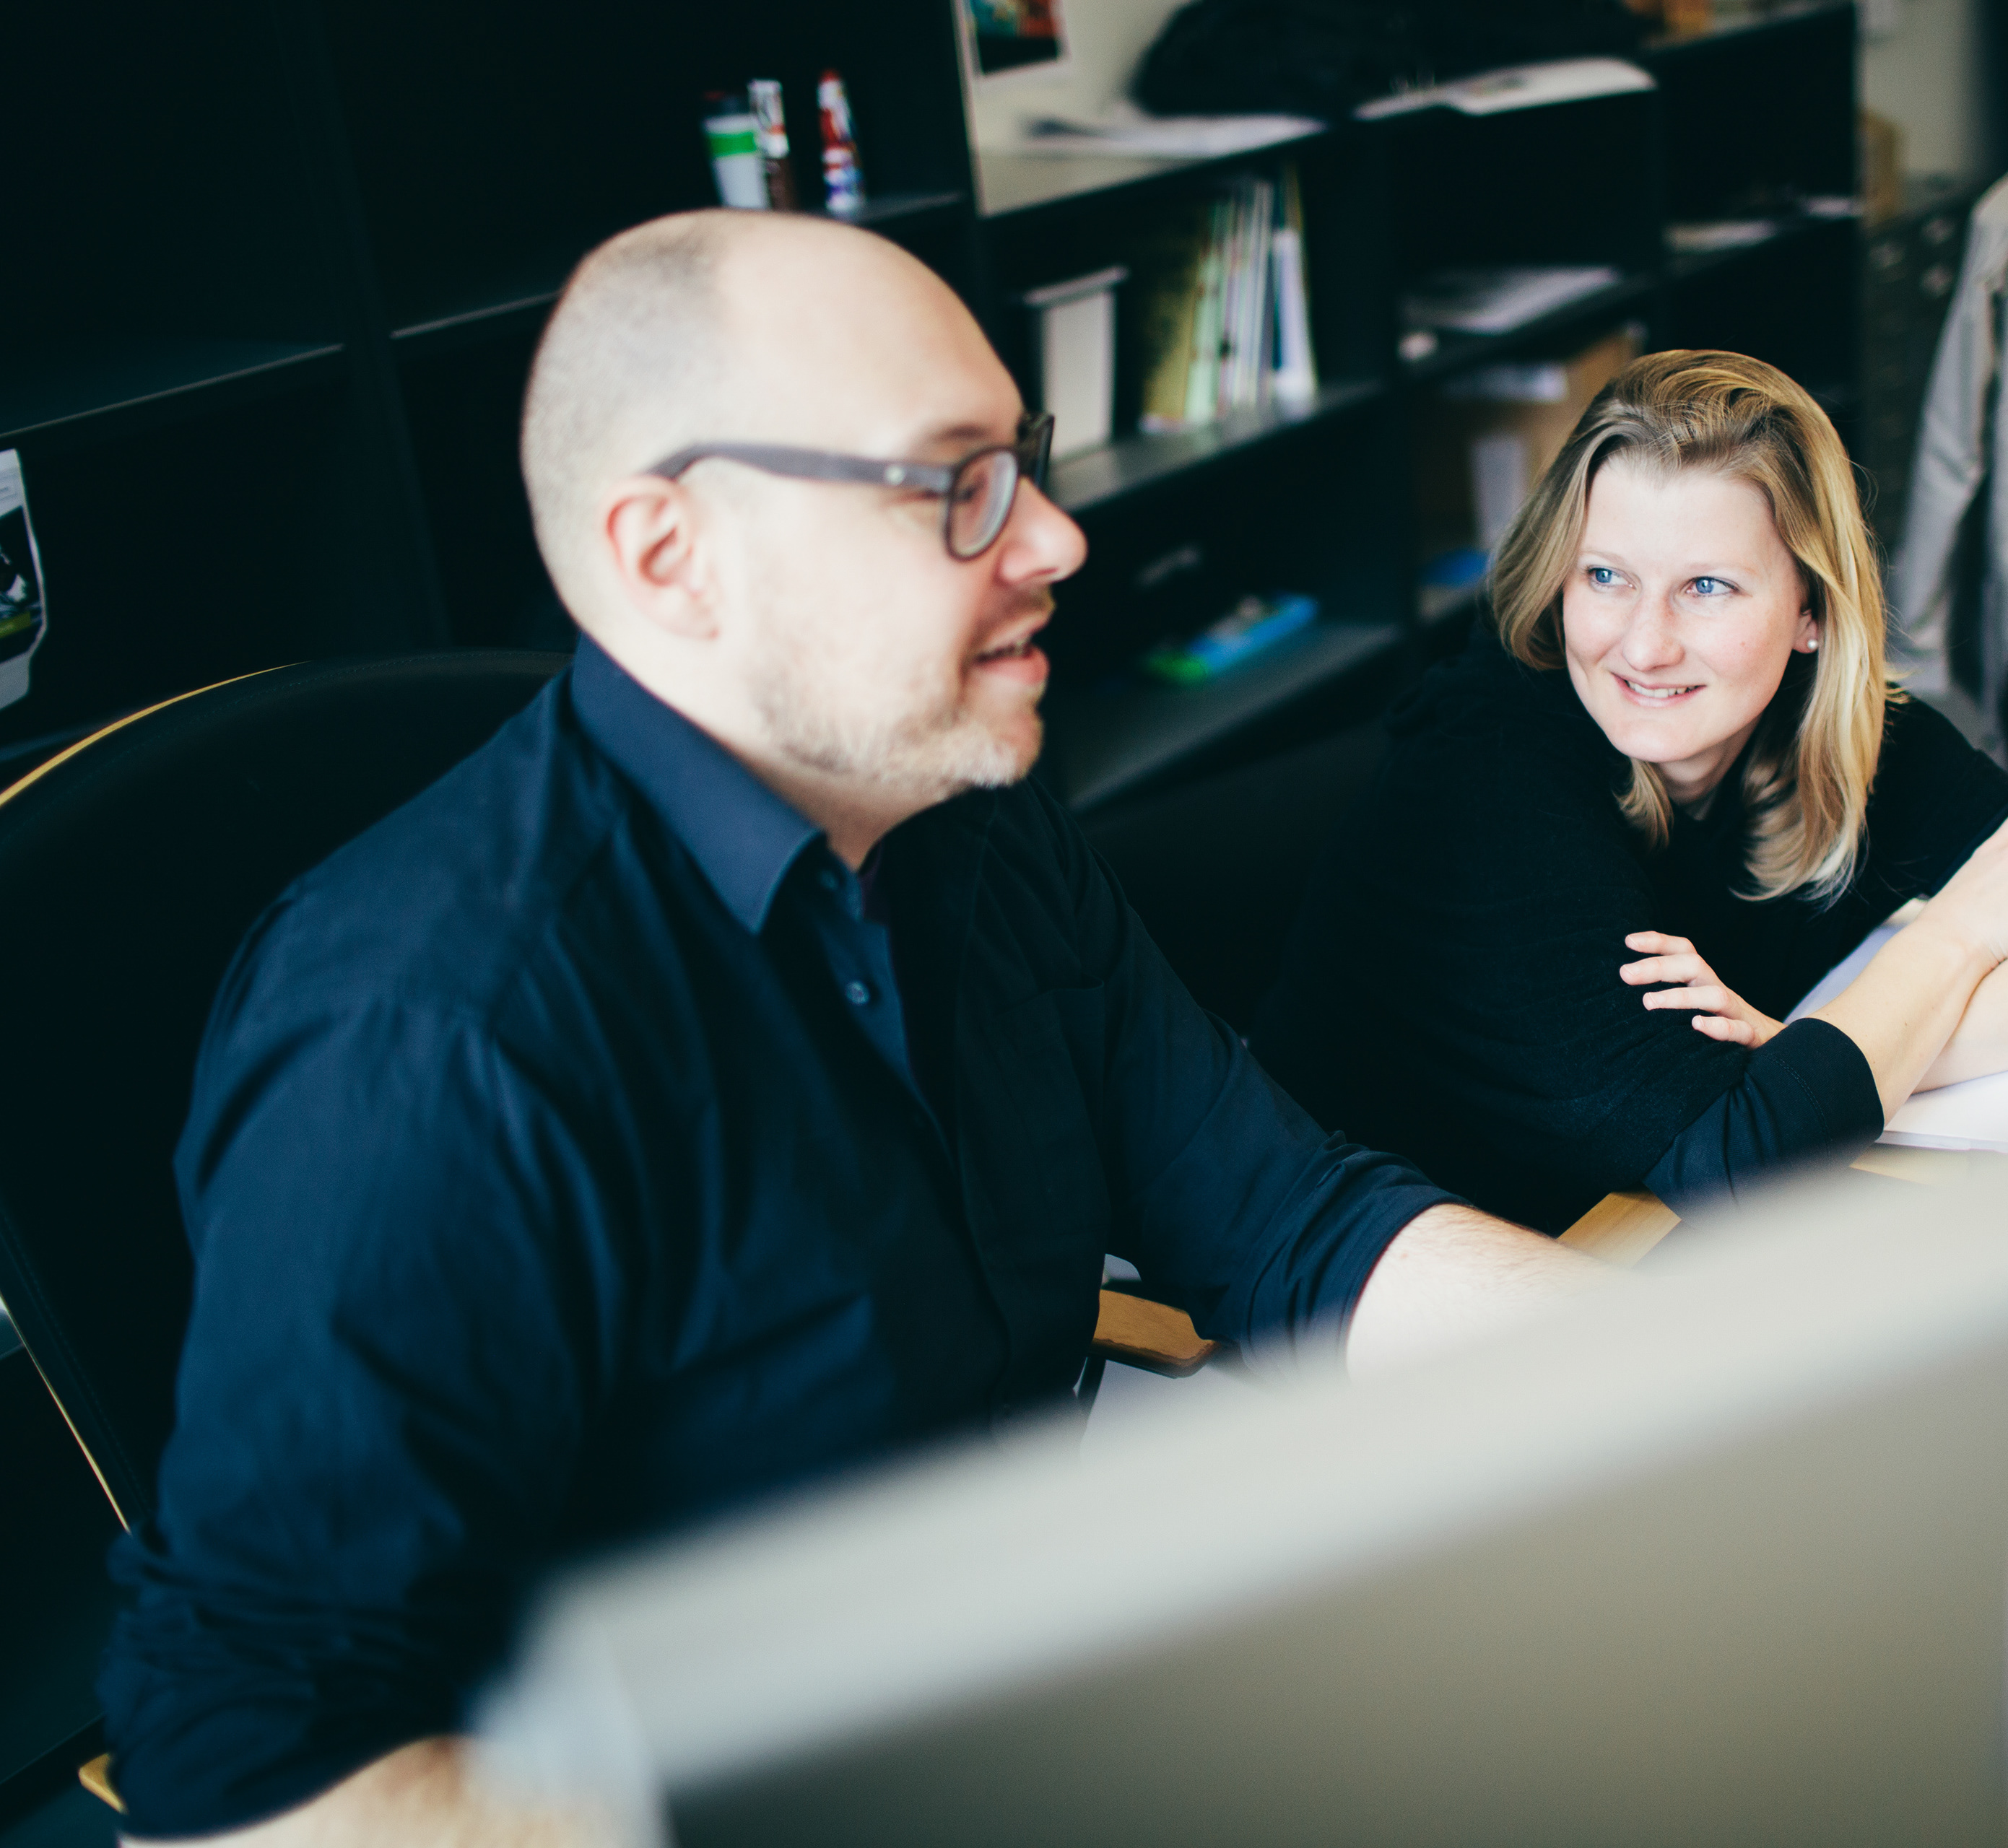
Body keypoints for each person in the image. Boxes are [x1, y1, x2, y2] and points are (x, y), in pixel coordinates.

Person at [95, 211, 1601, 1846]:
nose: (1055, 539)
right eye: (952, 481)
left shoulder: (968, 815)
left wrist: (1682, 1374)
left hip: (1020, 1663)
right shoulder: (434, 1040)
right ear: (670, 555)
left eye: (1021, 459)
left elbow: (1290, 1223)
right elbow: (254, 1771)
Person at [1251, 352, 2008, 1235]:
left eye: (1707, 587)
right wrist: (1952, 942)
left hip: (1624, 1238)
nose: (1644, 645)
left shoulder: (1843, 732)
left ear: (1811, 611)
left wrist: (1805, 1050)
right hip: (1394, 1288)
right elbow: (1742, 1158)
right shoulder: (1489, 780)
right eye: (1606, 576)